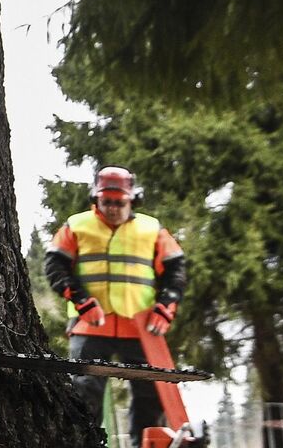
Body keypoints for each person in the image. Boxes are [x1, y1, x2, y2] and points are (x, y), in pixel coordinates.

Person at [44, 166, 190, 444]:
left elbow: (176, 270)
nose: (112, 208)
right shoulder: (76, 225)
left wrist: (166, 305)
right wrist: (81, 300)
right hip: (90, 325)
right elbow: (55, 266)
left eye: (119, 202)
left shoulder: (151, 228)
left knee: (151, 396)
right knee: (83, 394)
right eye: (106, 202)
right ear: (96, 199)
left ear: (132, 200)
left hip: (142, 329)